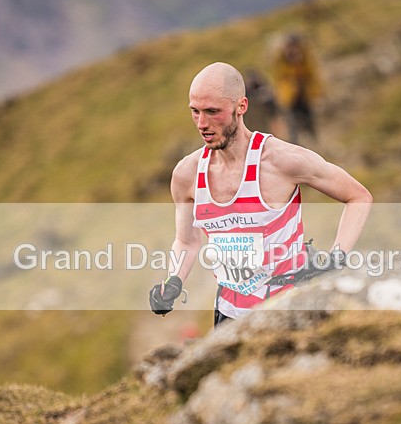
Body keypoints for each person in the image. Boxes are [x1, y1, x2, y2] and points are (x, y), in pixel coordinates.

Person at [149, 62, 371, 327]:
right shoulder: (187, 174)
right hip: (229, 315)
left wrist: (335, 259)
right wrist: (173, 281)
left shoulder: (281, 161)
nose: (202, 123)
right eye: (195, 112)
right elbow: (187, 241)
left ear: (241, 106)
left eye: (212, 112)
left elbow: (358, 197)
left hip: (288, 309)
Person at [272, 33, 322, 144]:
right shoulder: (282, 61)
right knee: (293, 124)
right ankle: (296, 144)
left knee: (309, 121)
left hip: (305, 95)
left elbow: (312, 74)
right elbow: (280, 77)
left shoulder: (305, 59)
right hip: (289, 97)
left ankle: (315, 143)